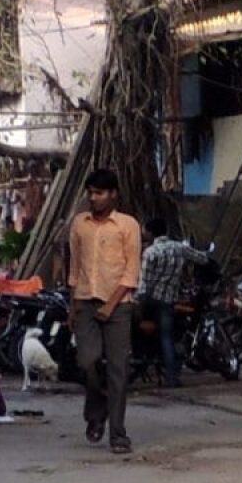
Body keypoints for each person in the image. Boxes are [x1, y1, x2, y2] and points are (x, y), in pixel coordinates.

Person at [64, 167, 143, 454]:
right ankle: (96, 409)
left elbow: (131, 272)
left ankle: (118, 433)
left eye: (99, 193)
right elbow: (74, 267)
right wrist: (73, 306)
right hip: (85, 302)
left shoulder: (127, 225)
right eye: (90, 193)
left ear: (113, 195)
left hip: (118, 305)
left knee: (119, 370)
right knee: (88, 361)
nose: (93, 198)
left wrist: (111, 306)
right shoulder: (79, 224)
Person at [136, 231, 213, 388]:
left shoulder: (150, 252)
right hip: (167, 300)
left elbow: (144, 280)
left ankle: (147, 360)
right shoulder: (179, 248)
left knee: (146, 331)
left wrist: (140, 299)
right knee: (167, 338)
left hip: (150, 299)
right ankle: (171, 377)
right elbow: (203, 258)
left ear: (151, 233)